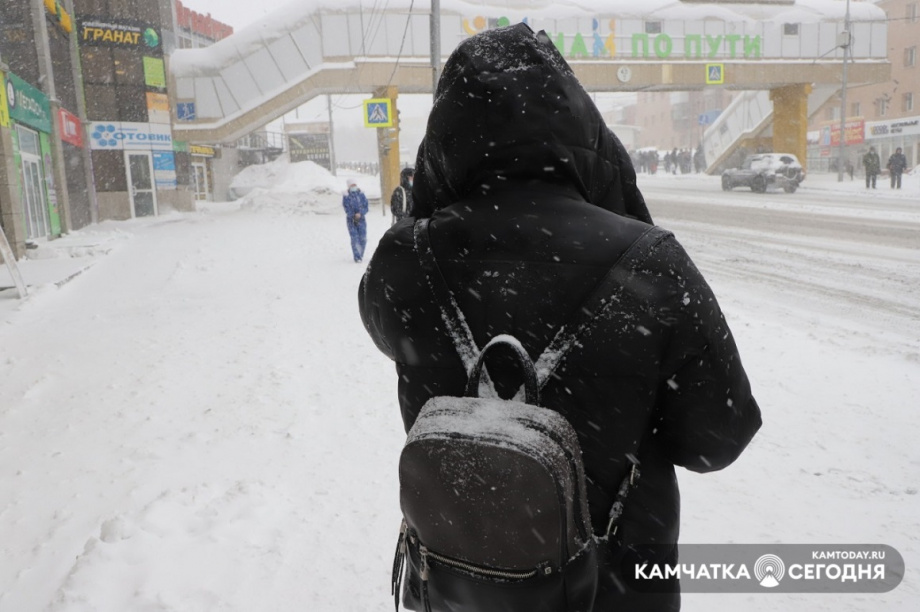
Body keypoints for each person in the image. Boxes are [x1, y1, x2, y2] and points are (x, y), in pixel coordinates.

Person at [359, 24, 761, 611]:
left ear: (445, 138)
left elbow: (387, 325)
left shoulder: (407, 259)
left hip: (459, 588)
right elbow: (716, 441)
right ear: (584, 131)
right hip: (614, 591)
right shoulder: (651, 263)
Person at [342, 179, 368, 262]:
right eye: (352, 185)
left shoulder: (361, 195)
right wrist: (353, 215)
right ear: (349, 186)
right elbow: (346, 208)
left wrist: (361, 213)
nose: (354, 187)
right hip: (351, 220)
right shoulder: (346, 196)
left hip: (361, 219)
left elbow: (366, 207)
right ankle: (357, 257)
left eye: (354, 185)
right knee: (355, 238)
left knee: (363, 238)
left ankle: (361, 254)